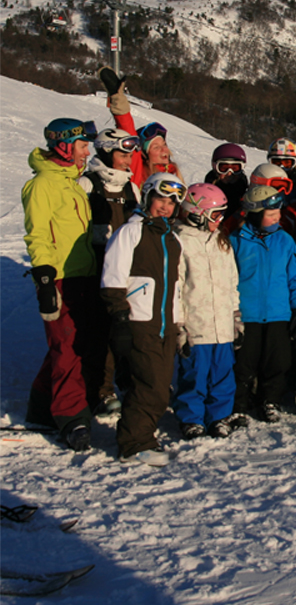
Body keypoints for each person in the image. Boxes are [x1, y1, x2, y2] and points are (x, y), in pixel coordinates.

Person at [23, 118, 105, 451]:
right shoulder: (43, 184)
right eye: (83, 146)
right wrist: (45, 279)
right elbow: (37, 234)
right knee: (67, 347)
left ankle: (42, 405)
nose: (87, 152)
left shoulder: (71, 182)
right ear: (64, 146)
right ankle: (72, 418)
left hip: (82, 275)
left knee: (72, 343)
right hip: (59, 278)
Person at [102, 173, 186, 466]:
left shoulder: (173, 239)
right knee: (150, 385)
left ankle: (139, 435)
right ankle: (134, 443)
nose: (165, 207)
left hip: (165, 324)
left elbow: (177, 287)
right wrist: (120, 317)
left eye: (171, 203)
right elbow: (113, 277)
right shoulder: (130, 232)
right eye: (161, 199)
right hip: (140, 320)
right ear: (148, 197)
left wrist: (178, 325)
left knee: (160, 387)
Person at [230, 185, 296, 423]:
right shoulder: (237, 241)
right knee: (244, 362)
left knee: (277, 361)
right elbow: (228, 278)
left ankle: (270, 400)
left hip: (277, 313)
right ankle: (239, 404)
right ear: (255, 214)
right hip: (248, 314)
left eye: (278, 213)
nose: (277, 218)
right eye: (271, 214)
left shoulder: (285, 240)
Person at [78, 128, 141, 416]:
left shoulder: (130, 188)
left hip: (126, 267)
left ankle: (127, 380)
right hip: (97, 265)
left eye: (130, 154)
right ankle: (101, 390)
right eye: (122, 154)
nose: (128, 160)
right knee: (99, 330)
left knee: (125, 327)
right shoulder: (87, 184)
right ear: (105, 152)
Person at [173, 184, 242, 439]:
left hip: (222, 324)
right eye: (215, 215)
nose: (220, 220)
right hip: (196, 325)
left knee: (223, 374)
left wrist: (235, 318)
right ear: (196, 214)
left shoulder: (221, 242)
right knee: (195, 374)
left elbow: (232, 283)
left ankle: (219, 416)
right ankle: (191, 418)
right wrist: (179, 326)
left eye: (222, 214)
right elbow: (176, 287)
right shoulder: (180, 241)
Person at [99, 66, 182, 187]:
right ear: (144, 155)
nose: (164, 150)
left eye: (164, 144)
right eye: (156, 147)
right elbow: (128, 130)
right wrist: (118, 100)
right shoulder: (138, 174)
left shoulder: (174, 175)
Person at [204, 143, 249, 221]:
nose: (229, 173)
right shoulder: (205, 196)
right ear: (215, 168)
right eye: (224, 168)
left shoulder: (246, 198)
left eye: (235, 168)